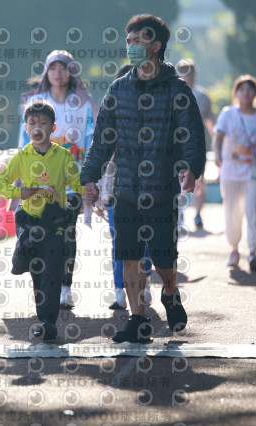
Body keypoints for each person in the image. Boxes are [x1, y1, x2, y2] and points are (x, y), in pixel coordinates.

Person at [81, 14, 206, 343]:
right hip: (126, 190)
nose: (131, 47)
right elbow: (102, 140)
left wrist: (191, 167)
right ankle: (137, 319)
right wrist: (90, 177)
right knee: (129, 255)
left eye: (138, 41)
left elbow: (192, 134)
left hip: (161, 190)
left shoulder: (177, 90)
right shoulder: (118, 89)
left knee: (164, 258)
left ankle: (170, 292)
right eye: (129, 41)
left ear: (156, 46)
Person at [0, 100, 84, 341]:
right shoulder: (21, 157)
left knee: (52, 272)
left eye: (43, 123)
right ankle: (43, 317)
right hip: (30, 224)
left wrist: (89, 192)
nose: (37, 127)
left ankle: (48, 322)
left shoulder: (63, 155)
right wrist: (20, 192)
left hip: (56, 224)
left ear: (53, 128)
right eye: (32, 123)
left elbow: (77, 184)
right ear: (26, 128)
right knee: (37, 273)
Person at [19, 50, 97, 309]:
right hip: (39, 181)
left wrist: (91, 176)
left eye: (63, 68)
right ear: (46, 72)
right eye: (53, 68)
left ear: (71, 72)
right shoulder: (35, 101)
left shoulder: (83, 102)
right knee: (40, 234)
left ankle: (65, 286)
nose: (58, 73)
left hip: (71, 181)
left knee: (67, 234)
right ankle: (43, 285)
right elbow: (23, 140)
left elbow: (92, 138)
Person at [98, 64, 152, 310]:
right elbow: (102, 159)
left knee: (146, 242)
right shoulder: (109, 119)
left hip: (148, 192)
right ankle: (120, 290)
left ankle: (145, 284)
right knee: (119, 245)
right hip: (116, 194)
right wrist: (102, 191)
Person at [213, 74, 256, 271]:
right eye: (241, 89)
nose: (246, 93)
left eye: (250, 90)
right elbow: (218, 136)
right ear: (236, 93)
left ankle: (253, 251)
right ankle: (234, 248)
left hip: (254, 171)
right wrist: (217, 154)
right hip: (230, 171)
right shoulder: (228, 114)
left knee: (252, 210)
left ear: (255, 94)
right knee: (232, 211)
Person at [176, 58, 216, 230]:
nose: (188, 77)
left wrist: (217, 141)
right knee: (178, 181)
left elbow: (209, 121)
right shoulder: (173, 94)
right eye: (184, 73)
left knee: (199, 180)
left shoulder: (202, 96)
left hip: (197, 146)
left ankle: (198, 213)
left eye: (190, 73)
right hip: (177, 146)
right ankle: (180, 212)